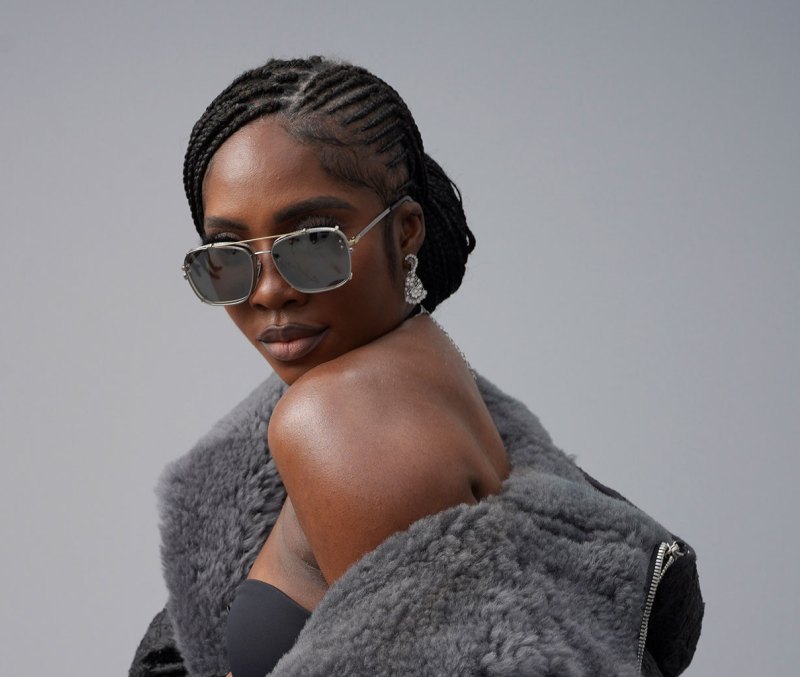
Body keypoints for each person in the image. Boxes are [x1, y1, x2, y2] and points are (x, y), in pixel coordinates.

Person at [130, 57, 703, 677]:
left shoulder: (336, 419)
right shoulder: (423, 365)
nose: (269, 291)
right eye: (228, 256)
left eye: (313, 242)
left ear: (405, 232)